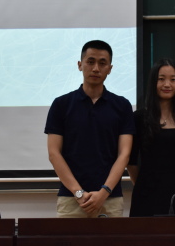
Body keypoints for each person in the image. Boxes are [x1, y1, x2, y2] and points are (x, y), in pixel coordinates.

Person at [45, 40, 135, 217]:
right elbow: (54, 153)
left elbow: (124, 154)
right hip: (71, 199)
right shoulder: (61, 104)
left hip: (110, 199)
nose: (96, 68)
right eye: (90, 62)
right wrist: (79, 193)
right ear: (80, 65)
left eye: (102, 63)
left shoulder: (122, 106)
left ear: (110, 68)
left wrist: (104, 192)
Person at [127, 58, 175, 216]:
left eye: (173, 80)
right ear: (153, 82)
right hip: (145, 193)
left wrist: (173, 182)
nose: (167, 84)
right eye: (161, 79)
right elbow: (131, 162)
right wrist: (144, 183)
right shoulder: (139, 117)